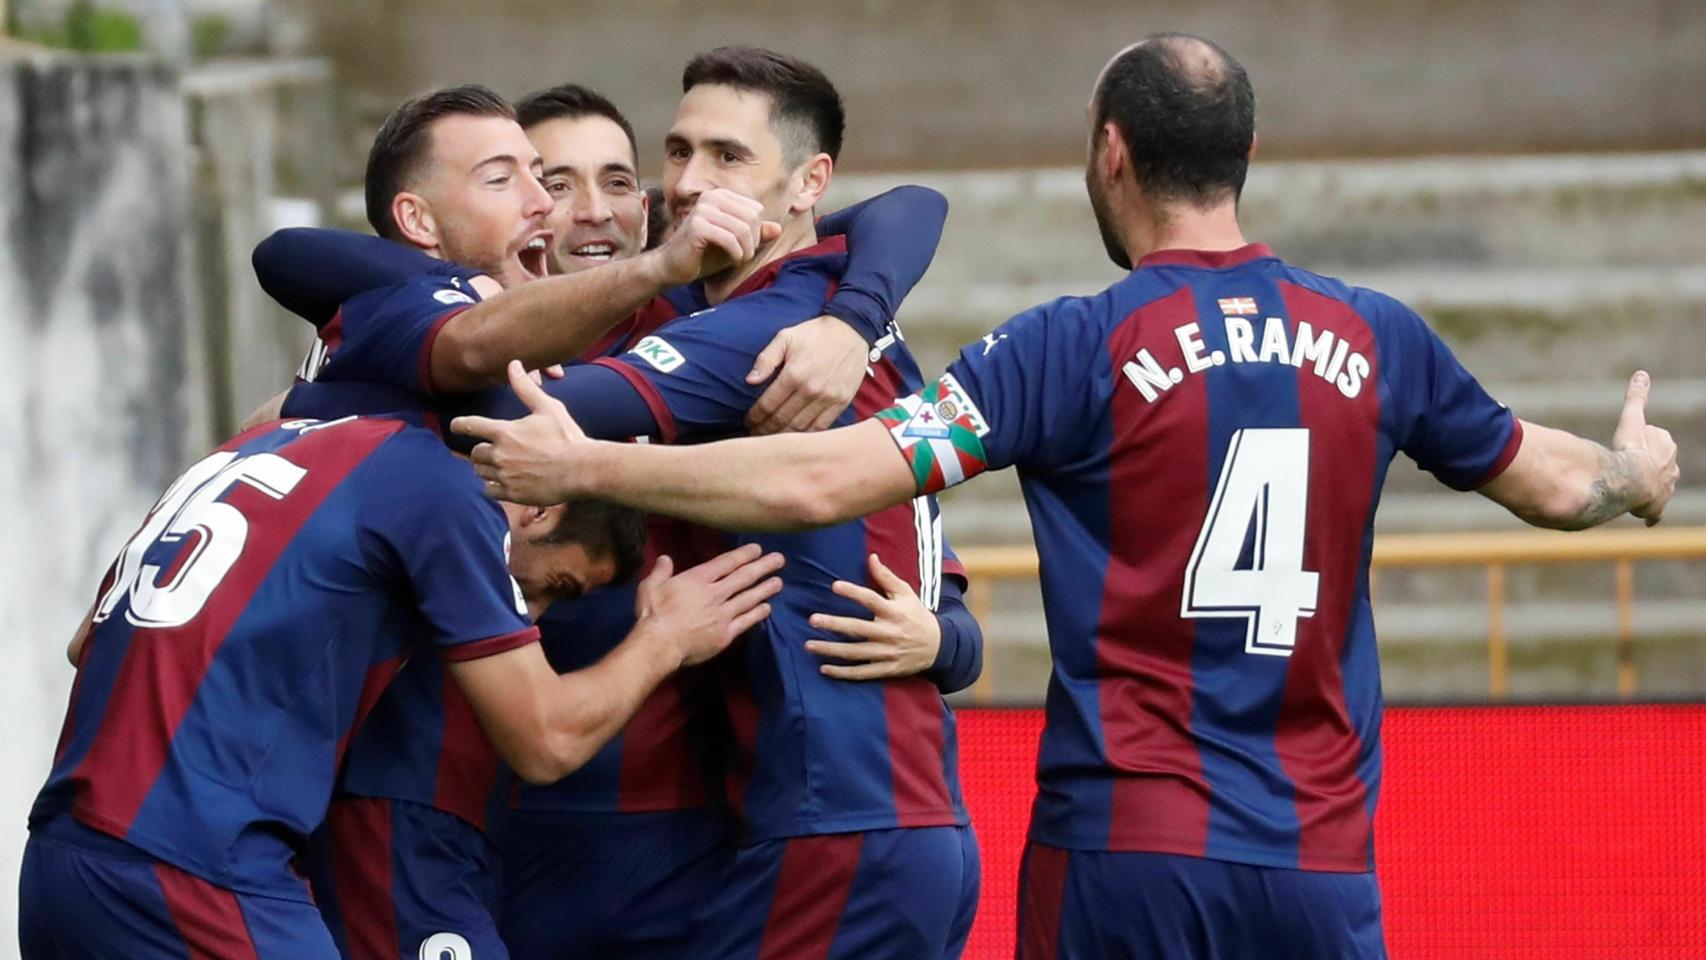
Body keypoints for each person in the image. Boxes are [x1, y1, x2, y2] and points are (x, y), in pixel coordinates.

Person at [454, 34, 1682, 960]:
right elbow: (1555, 481)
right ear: (1244, 156)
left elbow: (834, 468)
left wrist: (592, 466)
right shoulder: (1376, 336)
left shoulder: (1064, 344)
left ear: (1108, 154)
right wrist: (1636, 475)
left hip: (1124, 851)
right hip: (1319, 860)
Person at [282, 49, 984, 959]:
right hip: (508, 824)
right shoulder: (468, 330)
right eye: (543, 179)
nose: (596, 204)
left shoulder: (749, 327)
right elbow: (290, 256)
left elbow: (904, 210)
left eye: (619, 178)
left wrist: (340, 395)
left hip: (717, 833)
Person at [18, 412, 783, 959]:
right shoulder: (440, 494)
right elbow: (546, 741)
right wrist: (664, 640)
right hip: (193, 869)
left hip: (56, 863)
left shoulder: (266, 438)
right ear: (541, 501)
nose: (534, 617)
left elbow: (85, 640)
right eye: (549, 586)